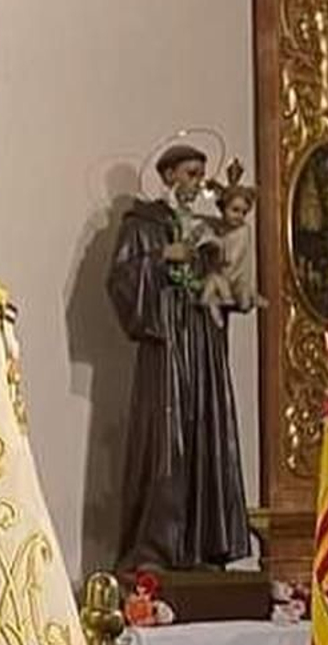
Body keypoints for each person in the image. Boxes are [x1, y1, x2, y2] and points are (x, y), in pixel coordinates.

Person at [107, 145, 252, 572]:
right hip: (167, 341)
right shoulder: (142, 223)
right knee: (167, 440)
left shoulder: (207, 228)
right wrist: (160, 259)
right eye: (190, 174)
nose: (196, 184)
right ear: (169, 175)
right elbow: (120, 277)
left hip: (203, 342)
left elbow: (223, 282)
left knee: (205, 431)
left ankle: (202, 546)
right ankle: (156, 548)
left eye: (201, 176)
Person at [200, 178, 259, 327]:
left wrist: (218, 246)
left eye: (244, 212)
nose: (239, 216)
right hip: (224, 280)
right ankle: (214, 311)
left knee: (215, 283)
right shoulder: (220, 228)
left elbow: (230, 259)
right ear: (223, 208)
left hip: (236, 281)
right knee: (209, 290)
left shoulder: (243, 231)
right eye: (235, 210)